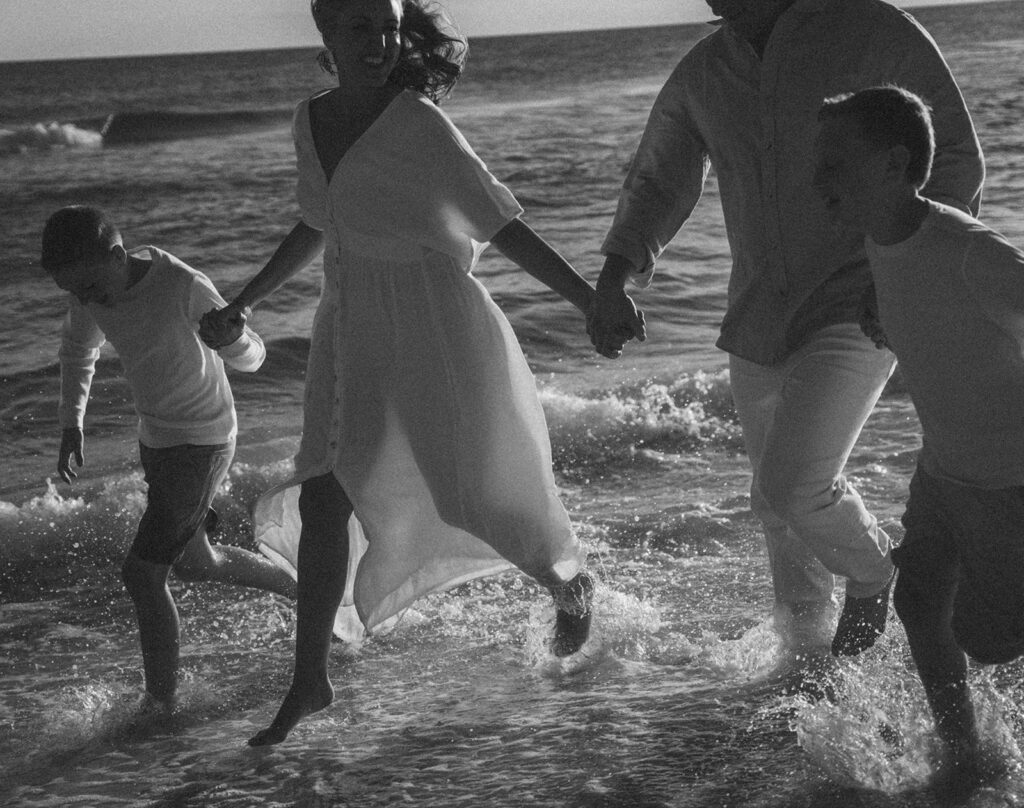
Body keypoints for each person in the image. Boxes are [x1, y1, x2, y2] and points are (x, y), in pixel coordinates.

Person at [200, 0, 595, 747]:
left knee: (471, 487)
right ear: (326, 34)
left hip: (433, 323)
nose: (380, 43)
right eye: (360, 29)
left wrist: (589, 300)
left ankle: (566, 580)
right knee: (323, 493)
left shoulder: (418, 123)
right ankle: (308, 679)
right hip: (350, 328)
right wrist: (245, 301)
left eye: (387, 27)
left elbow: (501, 222)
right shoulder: (308, 119)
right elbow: (318, 222)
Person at [589, 0, 984, 661]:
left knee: (794, 480)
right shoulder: (703, 75)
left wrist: (912, 275)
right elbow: (659, 180)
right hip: (758, 315)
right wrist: (613, 278)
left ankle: (874, 573)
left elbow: (954, 160)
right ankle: (806, 668)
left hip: (860, 300)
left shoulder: (872, 31)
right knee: (779, 513)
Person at [814, 86, 1024, 784]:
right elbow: (926, 310)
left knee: (989, 639)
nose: (819, 179)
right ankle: (964, 753)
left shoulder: (969, 250)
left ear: (892, 164)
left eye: (836, 163)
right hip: (943, 469)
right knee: (919, 598)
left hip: (1006, 479)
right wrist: (884, 312)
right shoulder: (883, 240)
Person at [41, 205, 296, 711]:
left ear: (117, 256)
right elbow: (77, 351)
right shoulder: (90, 292)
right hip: (156, 441)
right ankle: (313, 595)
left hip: (203, 441)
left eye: (90, 287)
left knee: (142, 574)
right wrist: (72, 424)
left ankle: (160, 707)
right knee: (198, 564)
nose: (86, 300)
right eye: (73, 292)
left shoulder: (180, 285)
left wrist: (235, 337)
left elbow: (253, 356)